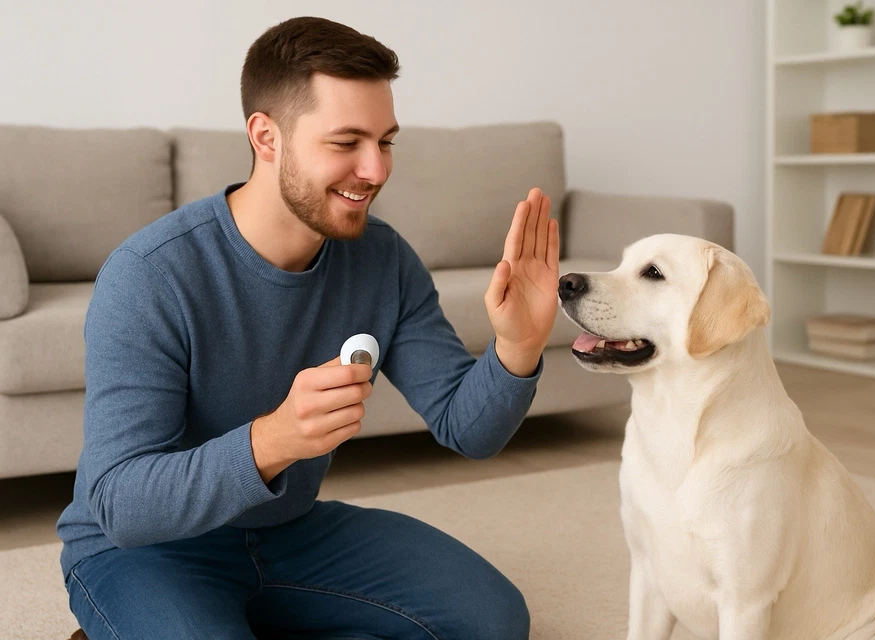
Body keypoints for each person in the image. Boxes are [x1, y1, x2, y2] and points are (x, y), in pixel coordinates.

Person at [56, 15, 560, 640]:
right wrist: (272, 441)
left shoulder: (383, 258)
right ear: (266, 137)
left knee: (493, 622)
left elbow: (467, 427)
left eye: (386, 141)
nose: (375, 170)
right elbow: (120, 504)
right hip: (148, 547)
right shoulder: (149, 276)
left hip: (289, 531)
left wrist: (518, 345)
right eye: (347, 142)